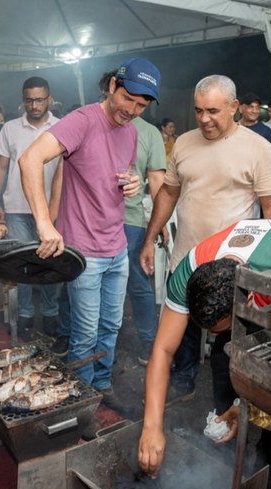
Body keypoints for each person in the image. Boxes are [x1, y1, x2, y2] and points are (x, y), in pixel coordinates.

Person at [137, 219, 271, 489]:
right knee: (224, 359)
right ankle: (233, 457)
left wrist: (261, 404)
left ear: (247, 301)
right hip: (240, 294)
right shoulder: (189, 268)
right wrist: (151, 426)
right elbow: (163, 348)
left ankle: (268, 459)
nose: (209, 335)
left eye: (217, 328)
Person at [18, 57, 159, 415]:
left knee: (111, 325)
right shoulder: (83, 120)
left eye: (142, 105)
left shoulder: (131, 131)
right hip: (84, 251)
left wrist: (134, 181)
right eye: (128, 99)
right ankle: (79, 403)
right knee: (85, 332)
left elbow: (118, 170)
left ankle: (100, 385)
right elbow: (30, 159)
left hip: (117, 245)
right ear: (112, 85)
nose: (132, 110)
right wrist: (44, 223)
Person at [138, 74, 271, 400]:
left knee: (227, 338)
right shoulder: (185, 142)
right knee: (183, 330)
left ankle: (225, 403)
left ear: (234, 107)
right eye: (199, 110)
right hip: (185, 257)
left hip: (230, 265)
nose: (204, 119)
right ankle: (182, 387)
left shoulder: (259, 148)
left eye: (213, 111)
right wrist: (149, 239)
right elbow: (168, 194)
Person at [0, 77, 62, 337]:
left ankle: (50, 313)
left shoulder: (62, 127)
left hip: (51, 210)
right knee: (22, 263)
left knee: (51, 263)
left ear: (49, 100)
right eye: (29, 100)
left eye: (39, 99)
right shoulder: (10, 128)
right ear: (23, 101)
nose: (34, 105)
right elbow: (0, 166)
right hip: (17, 208)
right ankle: (24, 315)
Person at [125, 114, 166, 366]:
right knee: (87, 281)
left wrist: (159, 223)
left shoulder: (149, 133)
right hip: (90, 221)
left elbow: (157, 181)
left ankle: (149, 341)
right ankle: (79, 339)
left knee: (139, 282)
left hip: (131, 220)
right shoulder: (92, 121)